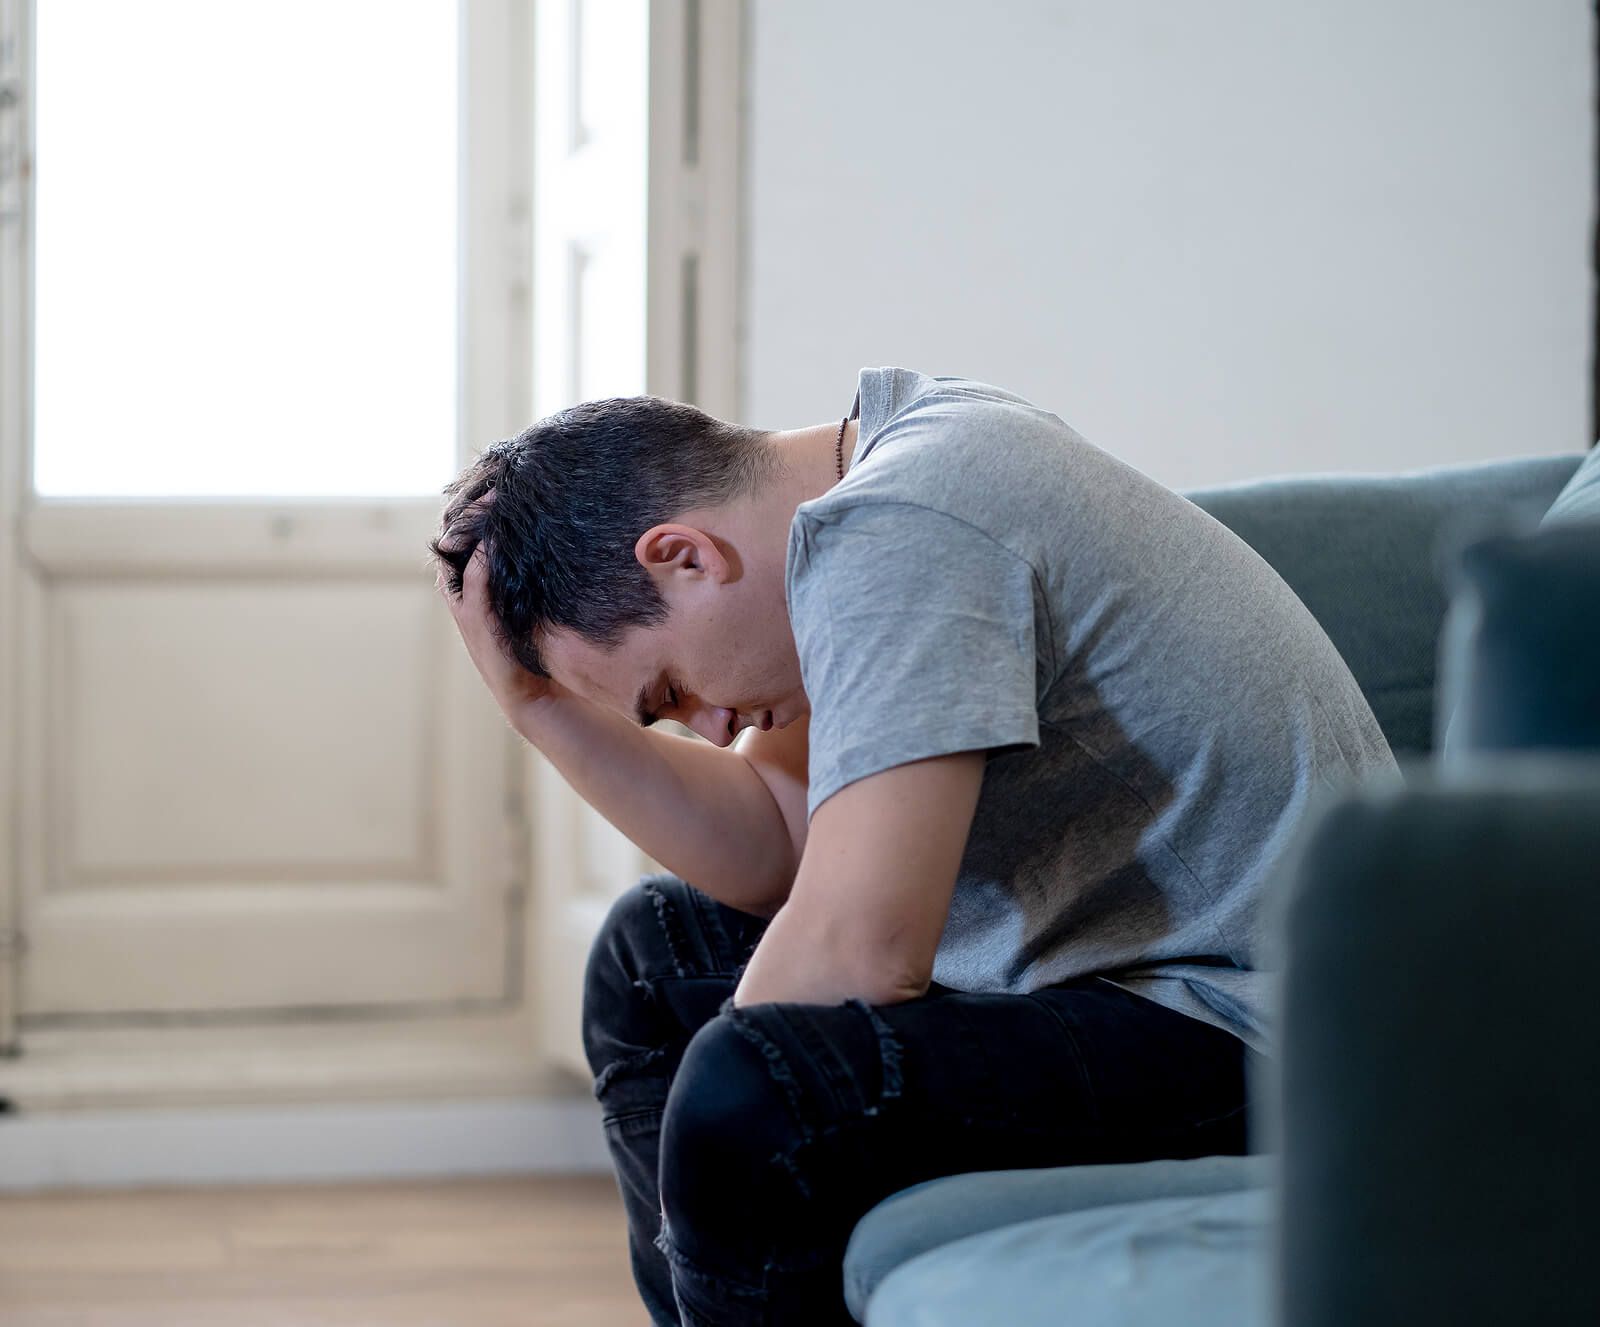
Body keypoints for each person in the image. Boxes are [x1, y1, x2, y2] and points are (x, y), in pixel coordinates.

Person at [430, 367, 1396, 1326]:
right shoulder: (884, 470)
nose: (712, 726)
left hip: (1272, 1032)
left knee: (749, 1091)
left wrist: (714, 1144)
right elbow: (778, 841)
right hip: (1136, 985)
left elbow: (863, 946)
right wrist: (537, 710)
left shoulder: (904, 529)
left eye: (672, 690)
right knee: (656, 958)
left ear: (684, 555)